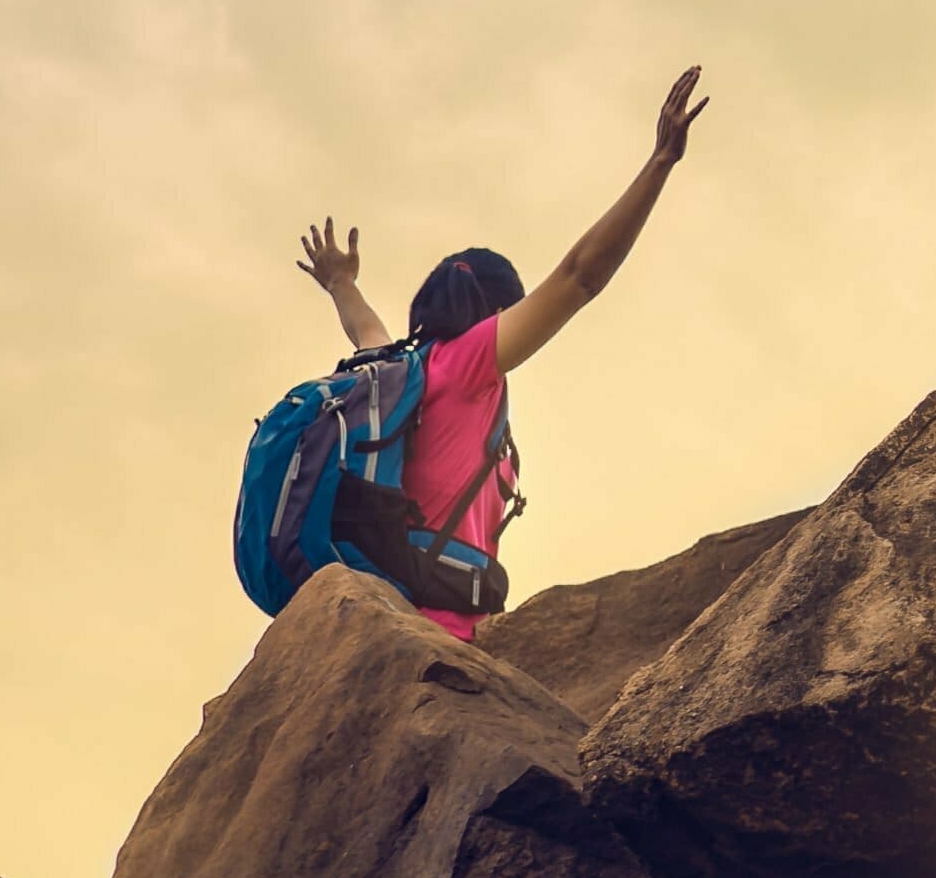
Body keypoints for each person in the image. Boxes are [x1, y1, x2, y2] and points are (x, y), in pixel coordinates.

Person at [294, 70, 712, 636]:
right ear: (499, 311)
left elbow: (364, 329)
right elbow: (579, 277)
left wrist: (340, 283)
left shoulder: (399, 368)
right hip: (446, 624)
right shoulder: (472, 364)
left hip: (394, 611)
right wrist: (661, 162)